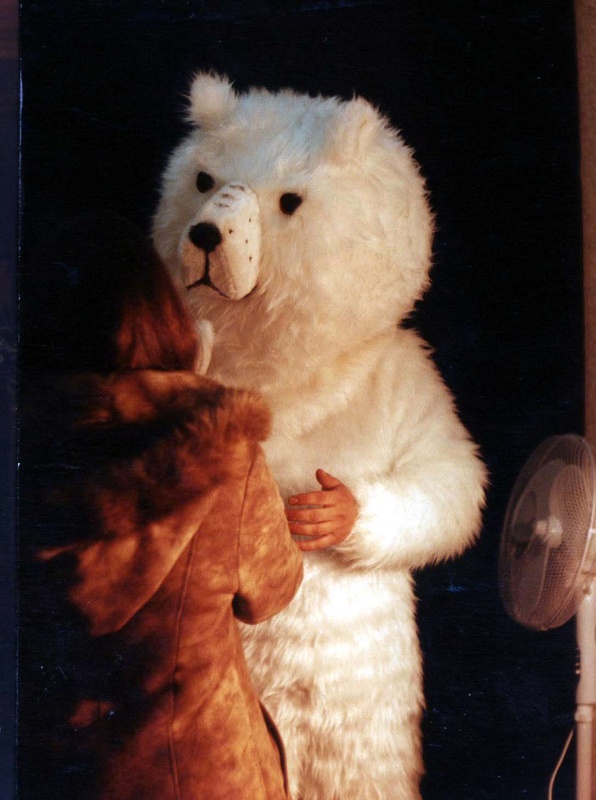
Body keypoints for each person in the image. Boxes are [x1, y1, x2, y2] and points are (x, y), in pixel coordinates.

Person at [18, 214, 303, 800]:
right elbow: (270, 592)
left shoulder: (25, 444)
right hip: (202, 770)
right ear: (163, 313)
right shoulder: (220, 440)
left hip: (61, 773)